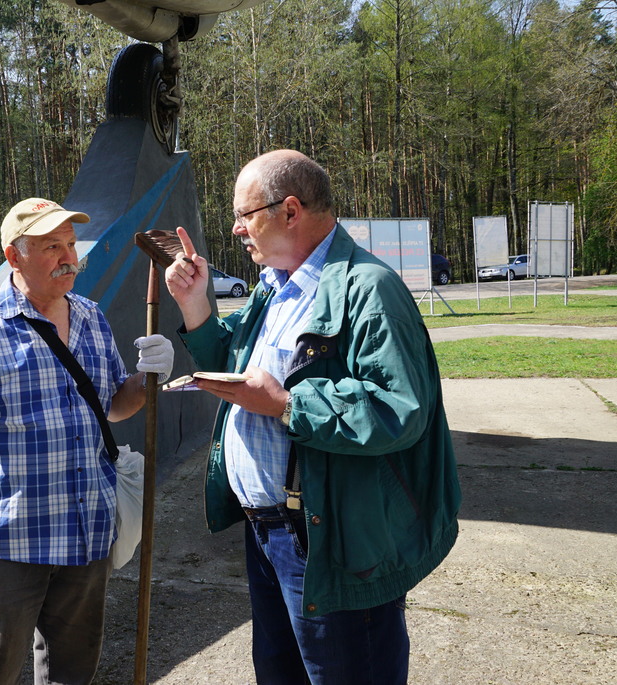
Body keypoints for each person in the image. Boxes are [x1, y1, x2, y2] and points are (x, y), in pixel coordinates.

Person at [163, 150, 460, 684]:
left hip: (332, 539)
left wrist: (285, 404)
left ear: (290, 210)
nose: (235, 229)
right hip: (268, 534)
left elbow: (399, 409)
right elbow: (233, 366)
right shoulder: (275, 285)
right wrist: (194, 305)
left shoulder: (369, 289)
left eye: (244, 214)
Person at [0, 197, 174, 685]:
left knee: (72, 675)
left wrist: (147, 380)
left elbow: (112, 406)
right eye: (50, 247)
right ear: (13, 257)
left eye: (69, 244)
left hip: (86, 536)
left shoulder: (89, 316)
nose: (68, 257)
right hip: (6, 544)